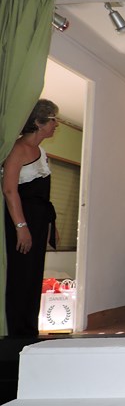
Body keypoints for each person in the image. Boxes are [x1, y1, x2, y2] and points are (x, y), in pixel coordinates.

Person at [2, 99, 59, 337]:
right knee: (21, 277)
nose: (56, 125)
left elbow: (42, 197)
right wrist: (21, 226)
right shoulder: (17, 149)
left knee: (34, 278)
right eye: (54, 120)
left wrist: (49, 227)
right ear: (38, 122)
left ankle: (29, 333)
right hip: (22, 221)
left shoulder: (41, 152)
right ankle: (16, 337)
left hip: (39, 221)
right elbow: (9, 190)